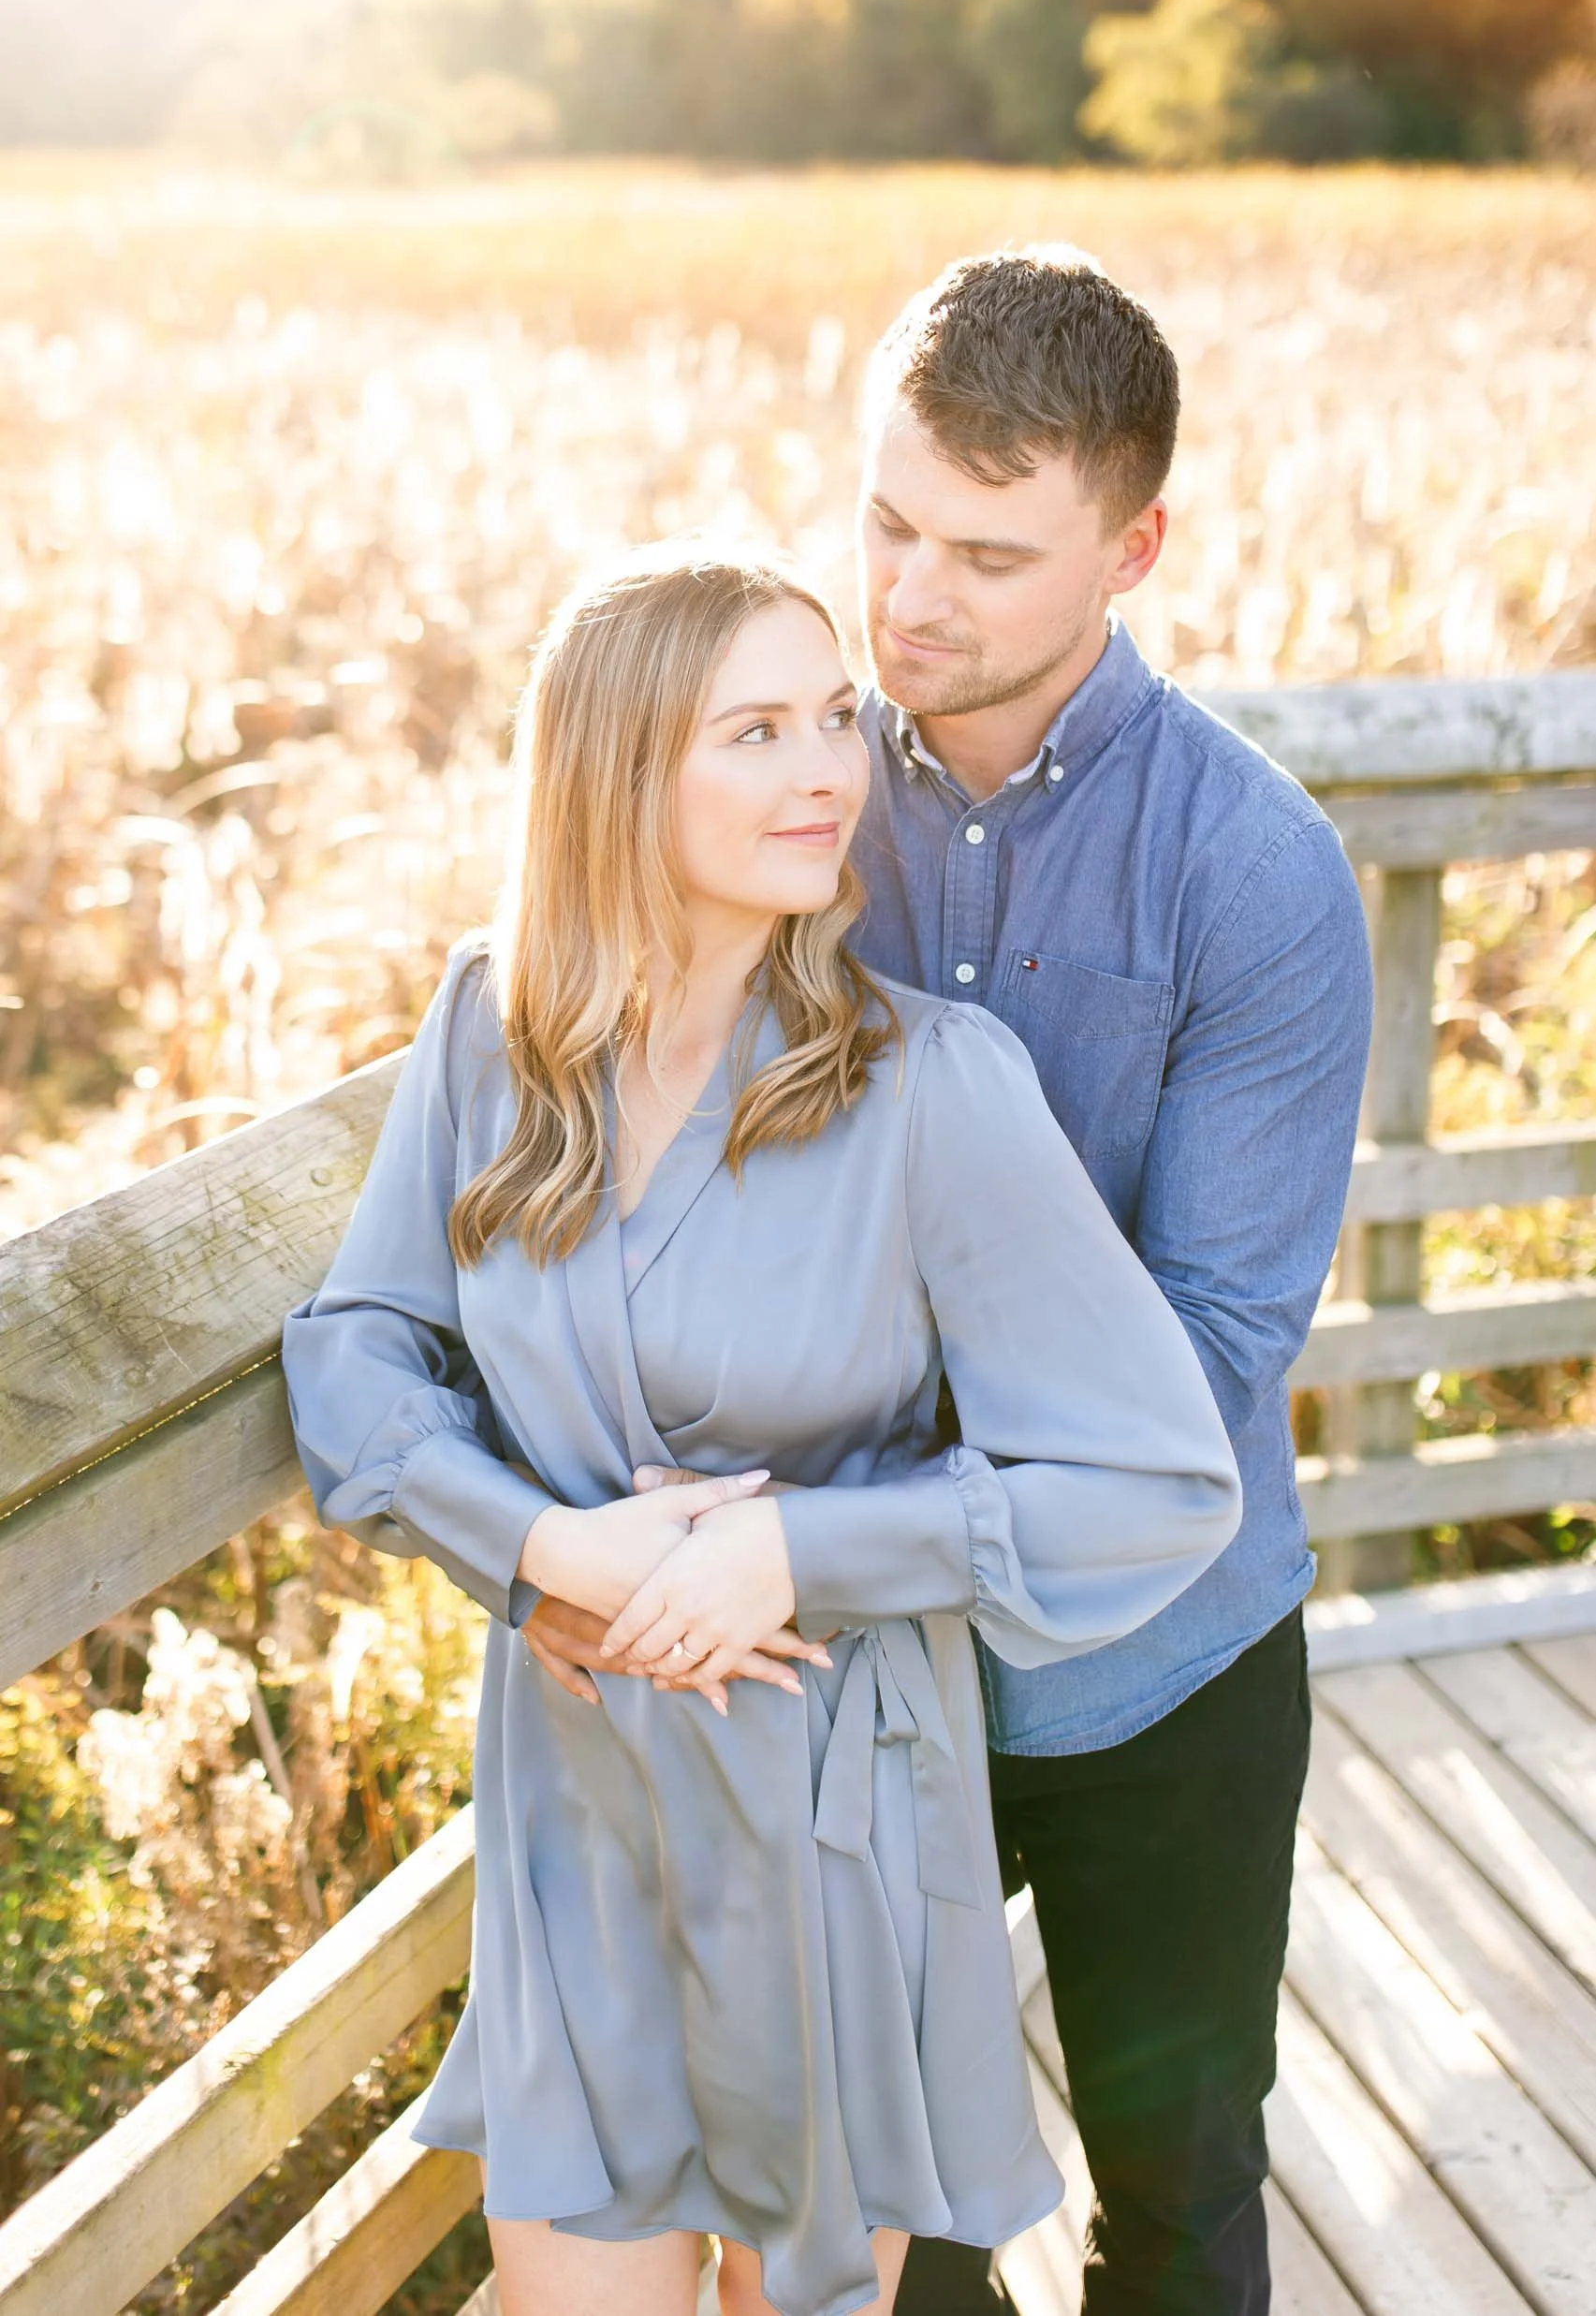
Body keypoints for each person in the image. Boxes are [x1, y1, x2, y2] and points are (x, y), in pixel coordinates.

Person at [523, 255, 1374, 2315]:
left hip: (1158, 1660)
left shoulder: (1252, 872)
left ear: (1136, 545)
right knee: (880, 2219)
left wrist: (820, 1527)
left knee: (1178, 2191)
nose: (910, 597)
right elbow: (605, 1110)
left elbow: (1207, 1366)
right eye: (889, 519)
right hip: (849, 1684)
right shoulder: (775, 792)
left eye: (990, 552)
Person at [281, 545, 1243, 2316]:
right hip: (577, 1807)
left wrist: (793, 1548)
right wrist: (537, 1549)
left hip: (834, 1817)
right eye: (756, 731)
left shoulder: (930, 1090)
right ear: (618, 771)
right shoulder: (497, 1035)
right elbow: (352, 1348)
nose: (827, 774)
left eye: (832, 721)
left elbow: (1157, 1479)